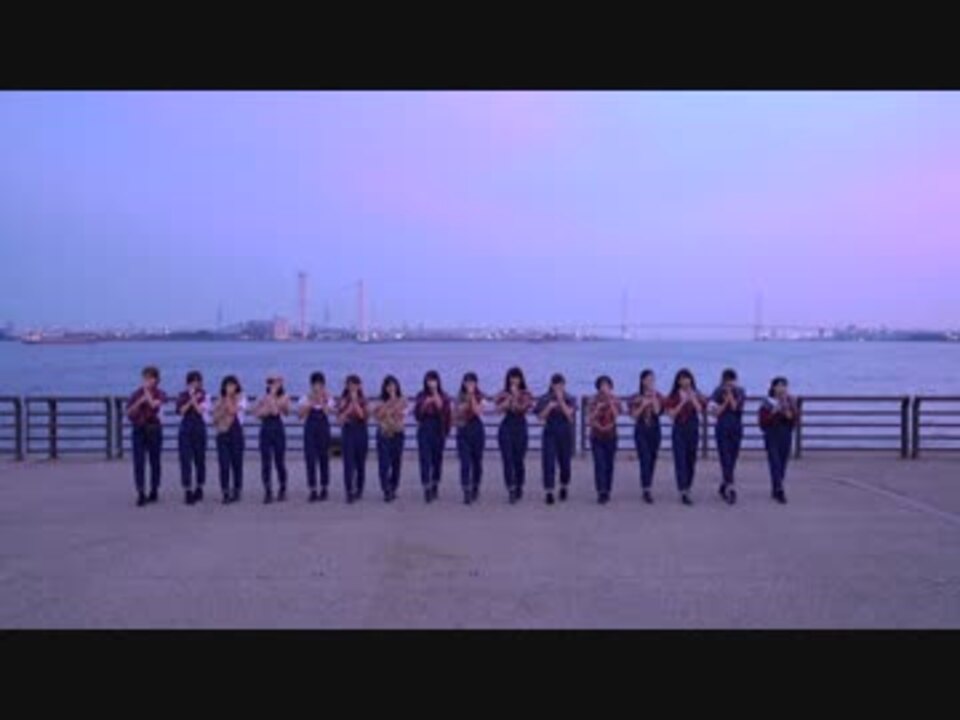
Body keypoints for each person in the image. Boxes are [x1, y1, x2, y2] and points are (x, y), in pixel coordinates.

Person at [663, 368, 708, 505]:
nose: (685, 381)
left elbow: (700, 409)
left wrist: (692, 397)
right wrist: (682, 401)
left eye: (687, 378)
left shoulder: (696, 393)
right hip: (679, 429)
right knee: (680, 460)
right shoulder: (673, 395)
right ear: (678, 381)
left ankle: (688, 486)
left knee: (691, 459)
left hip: (692, 429)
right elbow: (671, 415)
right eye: (682, 379)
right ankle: (682, 490)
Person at [126, 366, 167, 507]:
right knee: (139, 461)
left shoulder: (160, 393)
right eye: (145, 378)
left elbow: (155, 405)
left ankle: (154, 489)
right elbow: (129, 412)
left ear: (156, 380)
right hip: (138, 429)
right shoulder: (136, 394)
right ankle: (141, 492)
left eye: (150, 378)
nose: (147, 381)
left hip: (154, 429)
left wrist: (147, 395)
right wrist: (139, 401)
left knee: (155, 461)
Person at [534, 373, 576, 505]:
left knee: (565, 463)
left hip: (565, 432)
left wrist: (561, 401)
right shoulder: (544, 398)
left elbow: (570, 416)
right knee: (548, 462)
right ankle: (549, 491)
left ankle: (564, 486)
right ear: (551, 385)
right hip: (550, 432)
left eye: (561, 385)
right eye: (556, 385)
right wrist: (549, 407)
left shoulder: (570, 398)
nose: (558, 387)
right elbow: (540, 417)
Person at [494, 367, 534, 504]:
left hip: (520, 427)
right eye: (512, 377)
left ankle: (519, 485)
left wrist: (516, 397)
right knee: (507, 459)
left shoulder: (526, 394)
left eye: (516, 377)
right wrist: (509, 398)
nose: (514, 380)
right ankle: (510, 488)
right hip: (506, 427)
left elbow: (521, 409)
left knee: (518, 460)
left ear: (521, 379)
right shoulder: (503, 393)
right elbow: (498, 410)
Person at [413, 370, 452, 503]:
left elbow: (444, 410)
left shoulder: (444, 396)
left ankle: (435, 483)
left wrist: (435, 395)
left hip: (438, 428)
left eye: (433, 380)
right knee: (425, 458)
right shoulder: (421, 395)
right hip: (425, 427)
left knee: (437, 459)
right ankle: (426, 487)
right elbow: (417, 415)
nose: (431, 383)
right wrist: (425, 403)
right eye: (429, 380)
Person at [709, 368, 746, 505]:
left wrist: (730, 397)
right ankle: (731, 488)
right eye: (727, 381)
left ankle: (724, 484)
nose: (730, 384)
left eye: (732, 381)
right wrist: (724, 402)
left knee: (733, 457)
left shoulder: (740, 391)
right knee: (725, 456)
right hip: (722, 427)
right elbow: (715, 413)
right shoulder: (717, 392)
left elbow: (736, 408)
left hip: (736, 427)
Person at [759, 376, 799, 504]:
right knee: (774, 462)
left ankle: (776, 486)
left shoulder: (791, 401)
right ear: (773, 387)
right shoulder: (767, 402)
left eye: (784, 386)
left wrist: (788, 413)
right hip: (772, 434)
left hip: (785, 434)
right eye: (779, 385)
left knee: (782, 462)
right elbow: (762, 422)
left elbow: (794, 420)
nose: (781, 388)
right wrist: (774, 412)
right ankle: (779, 489)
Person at [253, 374, 291, 504]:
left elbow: (276, 411)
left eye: (275, 382)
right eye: (270, 382)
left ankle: (282, 488)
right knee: (265, 461)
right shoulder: (262, 396)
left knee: (280, 460)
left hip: (278, 428)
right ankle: (267, 490)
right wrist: (269, 403)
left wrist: (270, 401)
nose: (272, 385)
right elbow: (257, 413)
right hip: (265, 428)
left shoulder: (284, 396)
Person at [629, 369, 664, 504]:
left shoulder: (658, 395)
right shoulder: (635, 397)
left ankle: (648, 484)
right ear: (642, 381)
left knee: (652, 458)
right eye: (648, 379)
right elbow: (633, 416)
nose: (650, 382)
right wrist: (643, 405)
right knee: (645, 458)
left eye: (652, 379)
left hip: (655, 430)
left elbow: (658, 411)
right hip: (641, 430)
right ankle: (646, 489)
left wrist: (653, 398)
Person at [175, 370, 209, 506]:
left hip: (199, 429)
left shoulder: (205, 395)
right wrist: (191, 399)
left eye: (197, 381)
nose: (195, 384)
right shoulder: (182, 396)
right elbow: (181, 411)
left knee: (200, 459)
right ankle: (187, 489)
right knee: (185, 460)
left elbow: (201, 411)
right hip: (185, 430)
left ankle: (199, 487)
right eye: (192, 381)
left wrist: (194, 400)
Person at [298, 371, 333, 503]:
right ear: (311, 385)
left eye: (320, 384)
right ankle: (312, 488)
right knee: (310, 459)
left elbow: (329, 412)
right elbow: (300, 415)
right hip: (310, 430)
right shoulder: (305, 398)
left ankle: (324, 487)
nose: (317, 387)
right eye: (315, 384)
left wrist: (322, 401)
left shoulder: (328, 398)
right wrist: (311, 402)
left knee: (324, 458)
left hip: (323, 429)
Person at [588, 375, 621, 504]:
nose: (604, 388)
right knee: (599, 463)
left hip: (611, 435)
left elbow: (617, 415)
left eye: (607, 385)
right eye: (602, 385)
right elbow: (590, 419)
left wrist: (610, 402)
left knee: (609, 464)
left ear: (611, 387)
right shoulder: (593, 400)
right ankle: (600, 491)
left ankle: (607, 489)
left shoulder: (615, 399)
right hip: (596, 436)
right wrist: (598, 408)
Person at [212, 375, 246, 504]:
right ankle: (225, 491)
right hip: (222, 434)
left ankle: (237, 489)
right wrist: (222, 406)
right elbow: (214, 418)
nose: (230, 388)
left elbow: (232, 411)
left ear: (237, 386)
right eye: (227, 385)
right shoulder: (218, 399)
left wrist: (227, 399)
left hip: (236, 433)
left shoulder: (241, 398)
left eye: (232, 385)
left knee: (237, 463)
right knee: (224, 464)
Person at [454, 372, 486, 505]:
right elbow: (458, 412)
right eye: (467, 382)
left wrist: (472, 397)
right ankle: (466, 490)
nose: (469, 385)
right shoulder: (459, 397)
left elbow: (478, 411)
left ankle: (475, 486)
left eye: (472, 382)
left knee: (477, 461)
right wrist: (465, 401)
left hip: (477, 429)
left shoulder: (480, 396)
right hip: (463, 430)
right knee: (465, 462)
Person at [337, 374, 369, 503]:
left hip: (361, 431)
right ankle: (349, 491)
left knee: (360, 463)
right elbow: (340, 420)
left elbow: (363, 416)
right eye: (349, 385)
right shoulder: (343, 400)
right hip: (348, 431)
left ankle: (359, 489)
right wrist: (348, 408)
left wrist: (355, 402)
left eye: (355, 384)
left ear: (359, 386)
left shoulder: (364, 400)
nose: (352, 387)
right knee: (348, 463)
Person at [374, 375, 407, 503]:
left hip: (398, 433)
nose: (391, 388)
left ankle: (393, 487)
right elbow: (378, 415)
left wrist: (394, 404)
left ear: (397, 386)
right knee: (384, 463)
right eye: (388, 386)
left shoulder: (403, 399)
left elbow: (401, 414)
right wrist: (389, 403)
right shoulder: (380, 401)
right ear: (385, 388)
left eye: (393, 385)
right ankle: (386, 489)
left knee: (396, 463)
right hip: (384, 433)